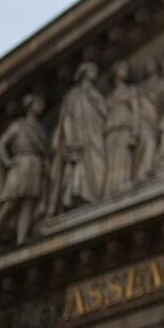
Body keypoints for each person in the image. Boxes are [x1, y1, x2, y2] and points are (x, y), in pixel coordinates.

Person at [0, 94, 49, 253]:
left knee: (28, 204)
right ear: (30, 105)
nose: (41, 106)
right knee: (10, 204)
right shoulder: (18, 126)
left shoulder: (40, 130)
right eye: (38, 103)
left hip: (35, 164)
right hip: (20, 163)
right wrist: (7, 162)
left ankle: (21, 241)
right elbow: (0, 145)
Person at [47, 62, 107, 214]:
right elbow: (66, 118)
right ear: (83, 72)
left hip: (96, 135)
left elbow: (106, 114)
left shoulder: (95, 94)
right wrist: (70, 139)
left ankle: (96, 197)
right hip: (80, 137)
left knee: (98, 165)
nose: (94, 72)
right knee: (80, 167)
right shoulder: (73, 95)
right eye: (91, 69)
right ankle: (80, 197)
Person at [103, 60, 142, 197]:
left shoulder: (131, 90)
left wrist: (135, 133)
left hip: (126, 126)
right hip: (111, 130)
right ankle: (110, 192)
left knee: (123, 159)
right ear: (115, 73)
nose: (125, 70)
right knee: (112, 163)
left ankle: (124, 186)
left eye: (126, 68)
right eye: (122, 68)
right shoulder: (109, 97)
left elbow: (136, 111)